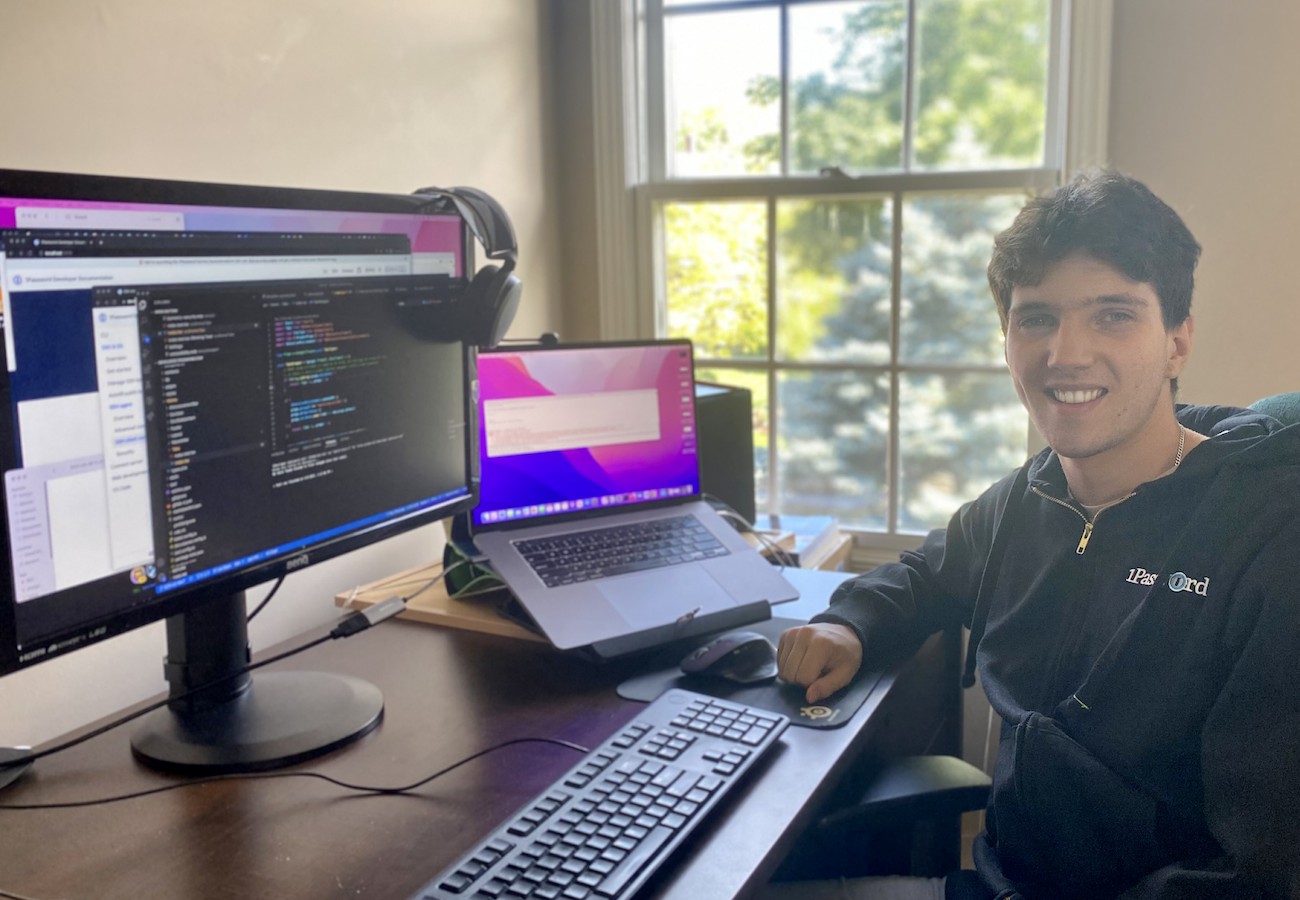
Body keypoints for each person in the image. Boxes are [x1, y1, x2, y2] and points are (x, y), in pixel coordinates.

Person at [768, 170, 1300, 900]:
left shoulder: (1268, 535)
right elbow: (928, 572)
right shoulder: (1029, 497)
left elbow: (1259, 876)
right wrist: (850, 624)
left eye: (1113, 315)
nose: (1066, 353)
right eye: (1037, 318)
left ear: (1177, 342)